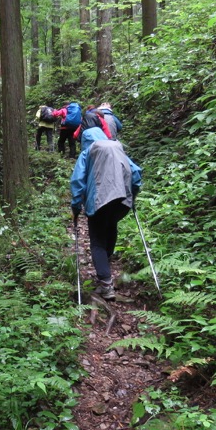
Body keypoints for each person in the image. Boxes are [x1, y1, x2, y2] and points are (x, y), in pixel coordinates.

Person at [70, 126, 142, 301]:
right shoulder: (117, 147)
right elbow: (136, 173)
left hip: (99, 201)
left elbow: (78, 180)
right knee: (111, 227)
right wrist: (133, 194)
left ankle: (106, 284)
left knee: (97, 242)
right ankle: (105, 266)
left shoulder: (89, 151)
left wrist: (76, 205)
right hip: (122, 199)